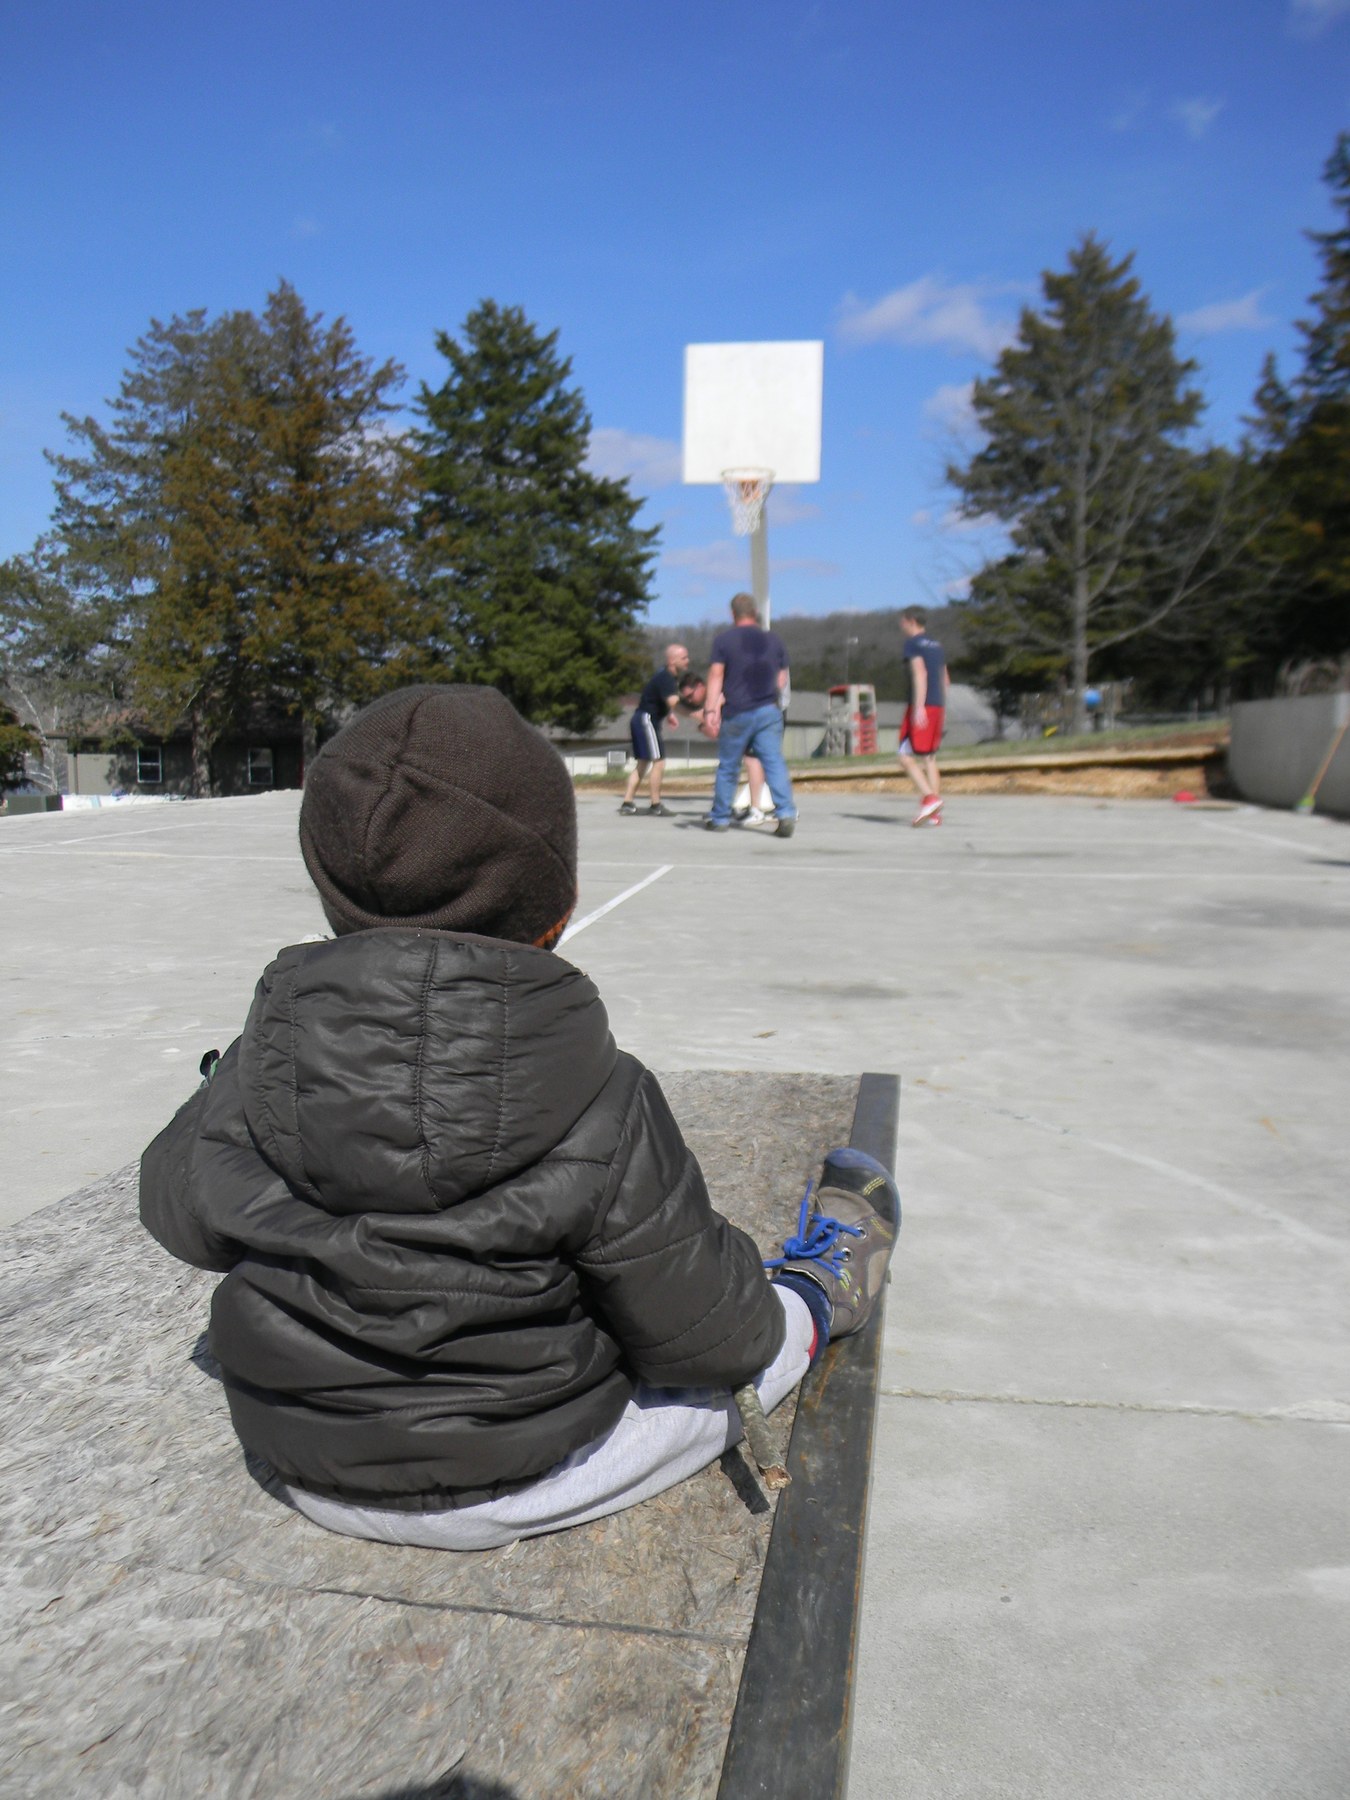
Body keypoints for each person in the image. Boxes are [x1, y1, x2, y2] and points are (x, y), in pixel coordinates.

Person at [138, 685, 899, 1550]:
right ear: (557, 913)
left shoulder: (260, 1058)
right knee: (753, 1346)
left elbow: (177, 1217)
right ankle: (821, 1286)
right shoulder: (600, 1096)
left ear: (330, 892)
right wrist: (760, 1304)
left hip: (297, 1458)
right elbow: (711, 1337)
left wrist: (234, 1087)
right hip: (525, 1474)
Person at [703, 593, 798, 838]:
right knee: (773, 761)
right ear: (755, 613)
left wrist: (711, 708)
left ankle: (720, 817)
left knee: (729, 766)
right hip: (769, 710)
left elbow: (716, 675)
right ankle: (786, 813)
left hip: (737, 710)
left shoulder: (724, 641)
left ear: (733, 614)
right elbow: (781, 677)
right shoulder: (774, 641)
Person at [620, 643, 689, 816]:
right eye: (684, 658)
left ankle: (627, 803)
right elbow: (673, 702)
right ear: (672, 660)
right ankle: (655, 805)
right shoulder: (666, 677)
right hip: (646, 720)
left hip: (641, 719)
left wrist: (669, 714)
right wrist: (698, 713)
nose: (688, 661)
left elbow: (660, 700)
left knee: (643, 762)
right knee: (659, 761)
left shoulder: (666, 676)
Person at [897, 606, 950, 827]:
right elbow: (945, 680)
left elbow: (920, 673)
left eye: (902, 621)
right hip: (938, 706)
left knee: (905, 756)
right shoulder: (937, 646)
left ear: (910, 621)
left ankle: (930, 799)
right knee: (929, 758)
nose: (900, 625)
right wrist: (942, 709)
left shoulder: (913, 644)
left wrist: (918, 707)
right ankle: (934, 813)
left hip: (922, 706)